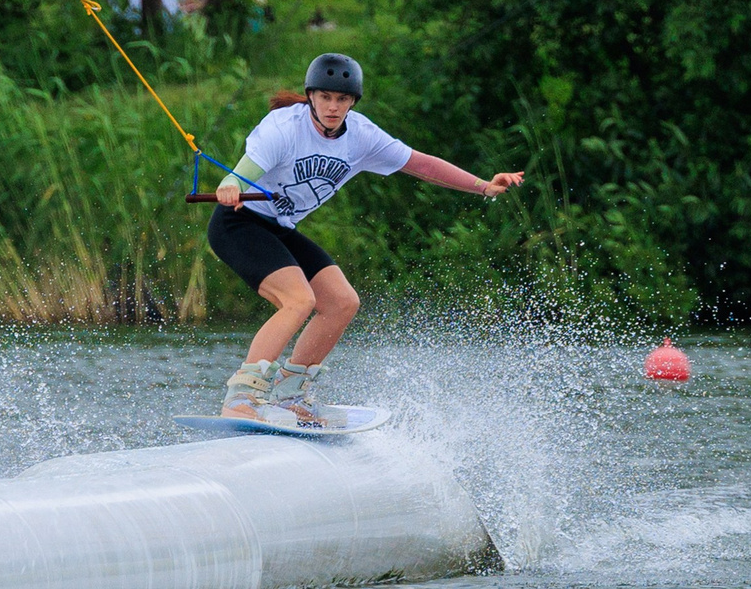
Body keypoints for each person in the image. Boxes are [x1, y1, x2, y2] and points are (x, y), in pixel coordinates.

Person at [210, 53, 524, 427]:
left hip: (279, 226)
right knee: (299, 300)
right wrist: (231, 185)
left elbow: (421, 164)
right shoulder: (283, 127)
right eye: (325, 97)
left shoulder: (361, 136)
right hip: (238, 222)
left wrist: (483, 186)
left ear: (352, 102)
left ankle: (289, 395)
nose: (333, 107)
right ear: (311, 96)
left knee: (342, 302)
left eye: (342, 100)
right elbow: (242, 172)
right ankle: (242, 396)